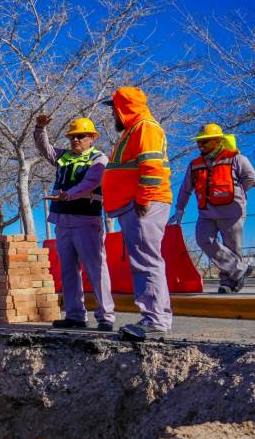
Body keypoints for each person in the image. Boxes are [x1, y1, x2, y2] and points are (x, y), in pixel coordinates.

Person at [101, 87, 173, 341]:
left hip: (143, 204)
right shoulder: (135, 129)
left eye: (114, 109)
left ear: (124, 108)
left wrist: (143, 198)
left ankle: (155, 320)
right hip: (137, 204)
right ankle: (154, 317)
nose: (113, 114)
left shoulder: (145, 128)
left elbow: (152, 166)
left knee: (146, 262)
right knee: (144, 261)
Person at [35, 115, 115, 331]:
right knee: (69, 270)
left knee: (96, 268)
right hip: (62, 220)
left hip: (86, 220)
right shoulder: (64, 157)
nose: (75, 140)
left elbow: (91, 182)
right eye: (72, 137)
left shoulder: (99, 159)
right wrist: (40, 128)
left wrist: (69, 195)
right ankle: (75, 315)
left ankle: (105, 316)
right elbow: (45, 148)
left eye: (80, 136)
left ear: (92, 138)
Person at [170, 123, 254, 293]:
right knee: (203, 239)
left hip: (232, 211)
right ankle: (240, 269)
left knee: (232, 246)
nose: (200, 145)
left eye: (205, 142)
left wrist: (237, 192)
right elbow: (185, 189)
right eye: (199, 142)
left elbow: (250, 178)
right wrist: (180, 209)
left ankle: (228, 283)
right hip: (206, 212)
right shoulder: (194, 164)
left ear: (217, 141)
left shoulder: (236, 159)